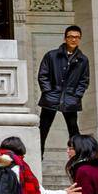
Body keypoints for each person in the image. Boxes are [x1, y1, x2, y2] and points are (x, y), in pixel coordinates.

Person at [37, 25, 90, 154]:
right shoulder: (52, 55)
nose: (74, 40)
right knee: (43, 128)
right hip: (51, 98)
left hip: (70, 99)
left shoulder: (83, 60)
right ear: (65, 38)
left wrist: (77, 95)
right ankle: (38, 156)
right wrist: (48, 92)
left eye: (77, 37)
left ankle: (78, 156)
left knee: (73, 129)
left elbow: (84, 80)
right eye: (71, 37)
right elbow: (43, 75)